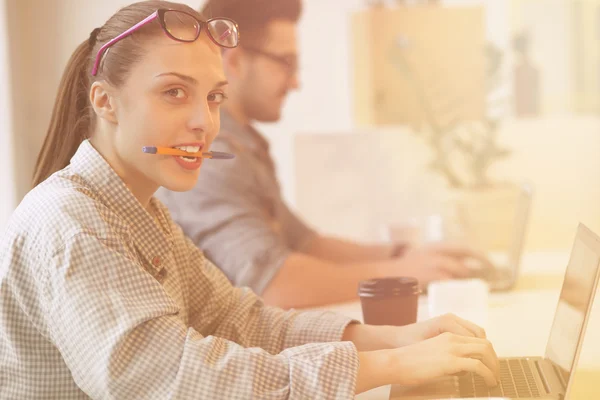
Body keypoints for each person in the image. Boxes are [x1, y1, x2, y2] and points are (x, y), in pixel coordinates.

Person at [0, 1, 500, 398]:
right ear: (104, 100)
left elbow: (242, 320)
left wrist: (393, 339)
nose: (204, 123)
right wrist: (386, 366)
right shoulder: (74, 224)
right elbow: (179, 381)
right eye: (175, 92)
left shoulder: (139, 211)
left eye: (214, 96)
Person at [155, 0, 493, 309]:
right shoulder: (209, 153)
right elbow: (273, 284)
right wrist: (402, 274)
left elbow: (304, 243)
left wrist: (401, 255)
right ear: (236, 60)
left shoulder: (244, 143)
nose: (296, 82)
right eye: (286, 63)